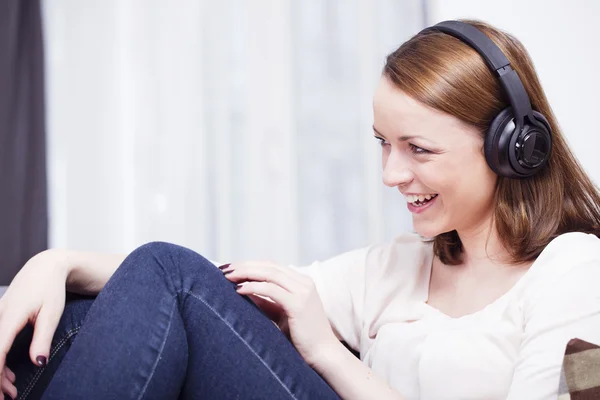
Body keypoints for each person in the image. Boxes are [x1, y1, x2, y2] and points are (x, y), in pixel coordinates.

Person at [1, 19, 600, 400]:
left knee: (165, 269)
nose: (391, 174)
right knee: (89, 310)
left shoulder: (574, 271)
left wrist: (327, 355)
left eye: (418, 149)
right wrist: (57, 265)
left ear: (512, 147)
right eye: (383, 144)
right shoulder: (400, 265)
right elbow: (211, 293)